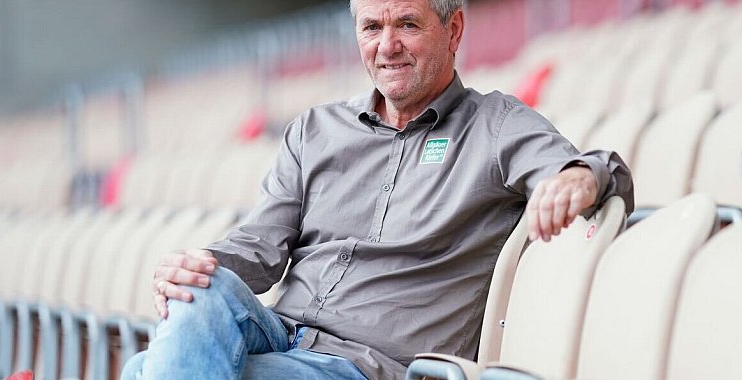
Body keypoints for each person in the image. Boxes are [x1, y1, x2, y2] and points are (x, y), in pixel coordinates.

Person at [121, 0, 633, 378]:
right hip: (280, 333)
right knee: (199, 287)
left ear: (453, 30)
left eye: (407, 24)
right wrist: (200, 262)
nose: (387, 46)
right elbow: (260, 248)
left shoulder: (495, 124)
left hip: (366, 366)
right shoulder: (314, 130)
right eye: (372, 27)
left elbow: (591, 169)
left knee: (146, 369)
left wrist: (577, 178)